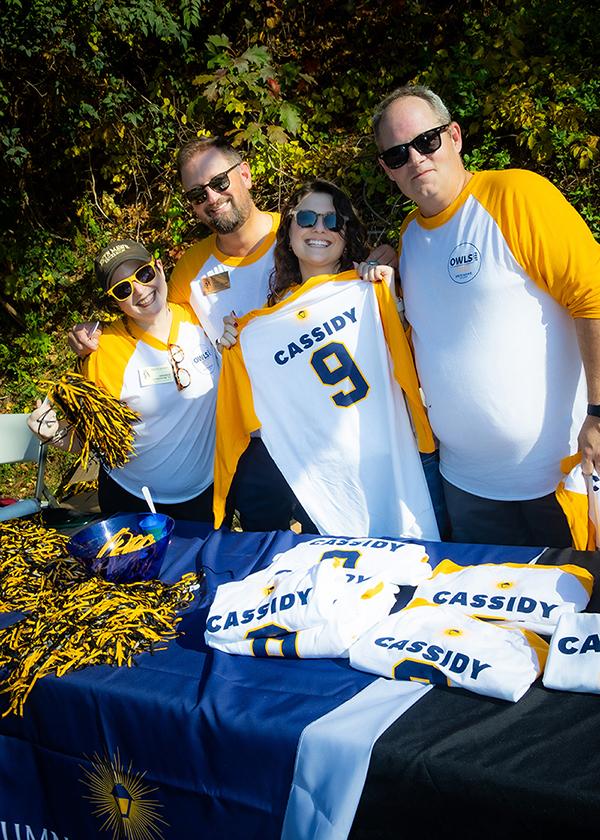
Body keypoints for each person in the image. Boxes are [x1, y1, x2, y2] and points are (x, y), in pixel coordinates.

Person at [68, 137, 396, 533]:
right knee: (266, 557)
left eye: (219, 182)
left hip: (328, 425)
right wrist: (96, 342)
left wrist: (381, 259)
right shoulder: (190, 269)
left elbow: (356, 261)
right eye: (197, 194)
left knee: (339, 541)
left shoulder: (299, 228)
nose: (212, 197)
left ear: (245, 174)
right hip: (253, 442)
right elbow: (157, 321)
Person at [372, 84, 600, 547]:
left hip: (557, 481)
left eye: (426, 141)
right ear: (387, 170)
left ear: (454, 136)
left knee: (580, 613)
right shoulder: (409, 237)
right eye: (397, 154)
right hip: (465, 487)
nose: (415, 158)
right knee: (488, 618)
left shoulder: (516, 195)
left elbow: (592, 298)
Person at [215, 179, 440, 540]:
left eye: (332, 221)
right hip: (331, 485)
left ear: (345, 233)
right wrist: (236, 347)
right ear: (288, 232)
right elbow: (257, 423)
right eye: (306, 218)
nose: (319, 228)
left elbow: (420, 360)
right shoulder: (264, 324)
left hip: (402, 465)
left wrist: (390, 298)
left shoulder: (374, 287)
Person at [29, 239, 219, 521]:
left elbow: (238, 282)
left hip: (205, 495)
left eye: (143, 274)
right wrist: (54, 434)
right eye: (123, 289)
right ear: (114, 300)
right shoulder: (102, 352)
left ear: (159, 268)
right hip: (133, 502)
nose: (140, 291)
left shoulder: (201, 316)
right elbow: (93, 441)